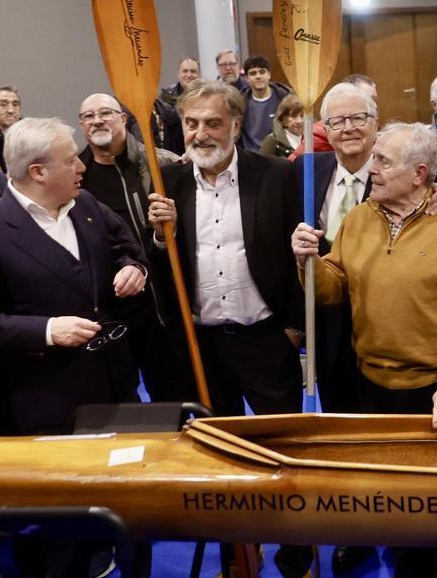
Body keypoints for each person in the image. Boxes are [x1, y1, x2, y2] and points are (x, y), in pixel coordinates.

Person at [292, 121, 437, 578]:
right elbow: (332, 290)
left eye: (384, 161)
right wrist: (307, 261)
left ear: (420, 173)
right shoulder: (360, 218)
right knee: (395, 514)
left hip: (435, 396)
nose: (373, 168)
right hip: (373, 391)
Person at [144, 80, 311, 576]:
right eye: (191, 124)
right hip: (202, 344)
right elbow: (161, 272)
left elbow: (302, 257)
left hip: (265, 338)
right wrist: (158, 236)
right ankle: (241, 553)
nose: (200, 134)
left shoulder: (277, 175)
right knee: (219, 460)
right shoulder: (166, 185)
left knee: (280, 453)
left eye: (212, 122)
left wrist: (295, 330)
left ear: (236, 125)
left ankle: (296, 553)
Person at [0, 117, 148, 434]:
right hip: (50, 401)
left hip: (118, 386)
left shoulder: (85, 204)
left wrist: (133, 268)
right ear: (38, 172)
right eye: (70, 161)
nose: (81, 168)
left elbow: (126, 248)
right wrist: (48, 329)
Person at [77, 93, 191, 403]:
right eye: (88, 116)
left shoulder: (162, 163)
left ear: (124, 119)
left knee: (174, 400)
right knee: (121, 405)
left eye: (105, 113)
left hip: (161, 307)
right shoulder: (76, 177)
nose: (97, 120)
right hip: (109, 312)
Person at [239, 55, 290, 152]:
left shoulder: (285, 98)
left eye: (262, 72)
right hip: (251, 158)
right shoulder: (240, 102)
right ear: (246, 78)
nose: (258, 76)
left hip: (280, 156)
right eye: (253, 73)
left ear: (269, 75)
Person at [260, 93, 303, 159]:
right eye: (294, 116)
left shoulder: (313, 138)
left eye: (302, 116)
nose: (299, 121)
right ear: (284, 119)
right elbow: (261, 165)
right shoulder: (272, 140)